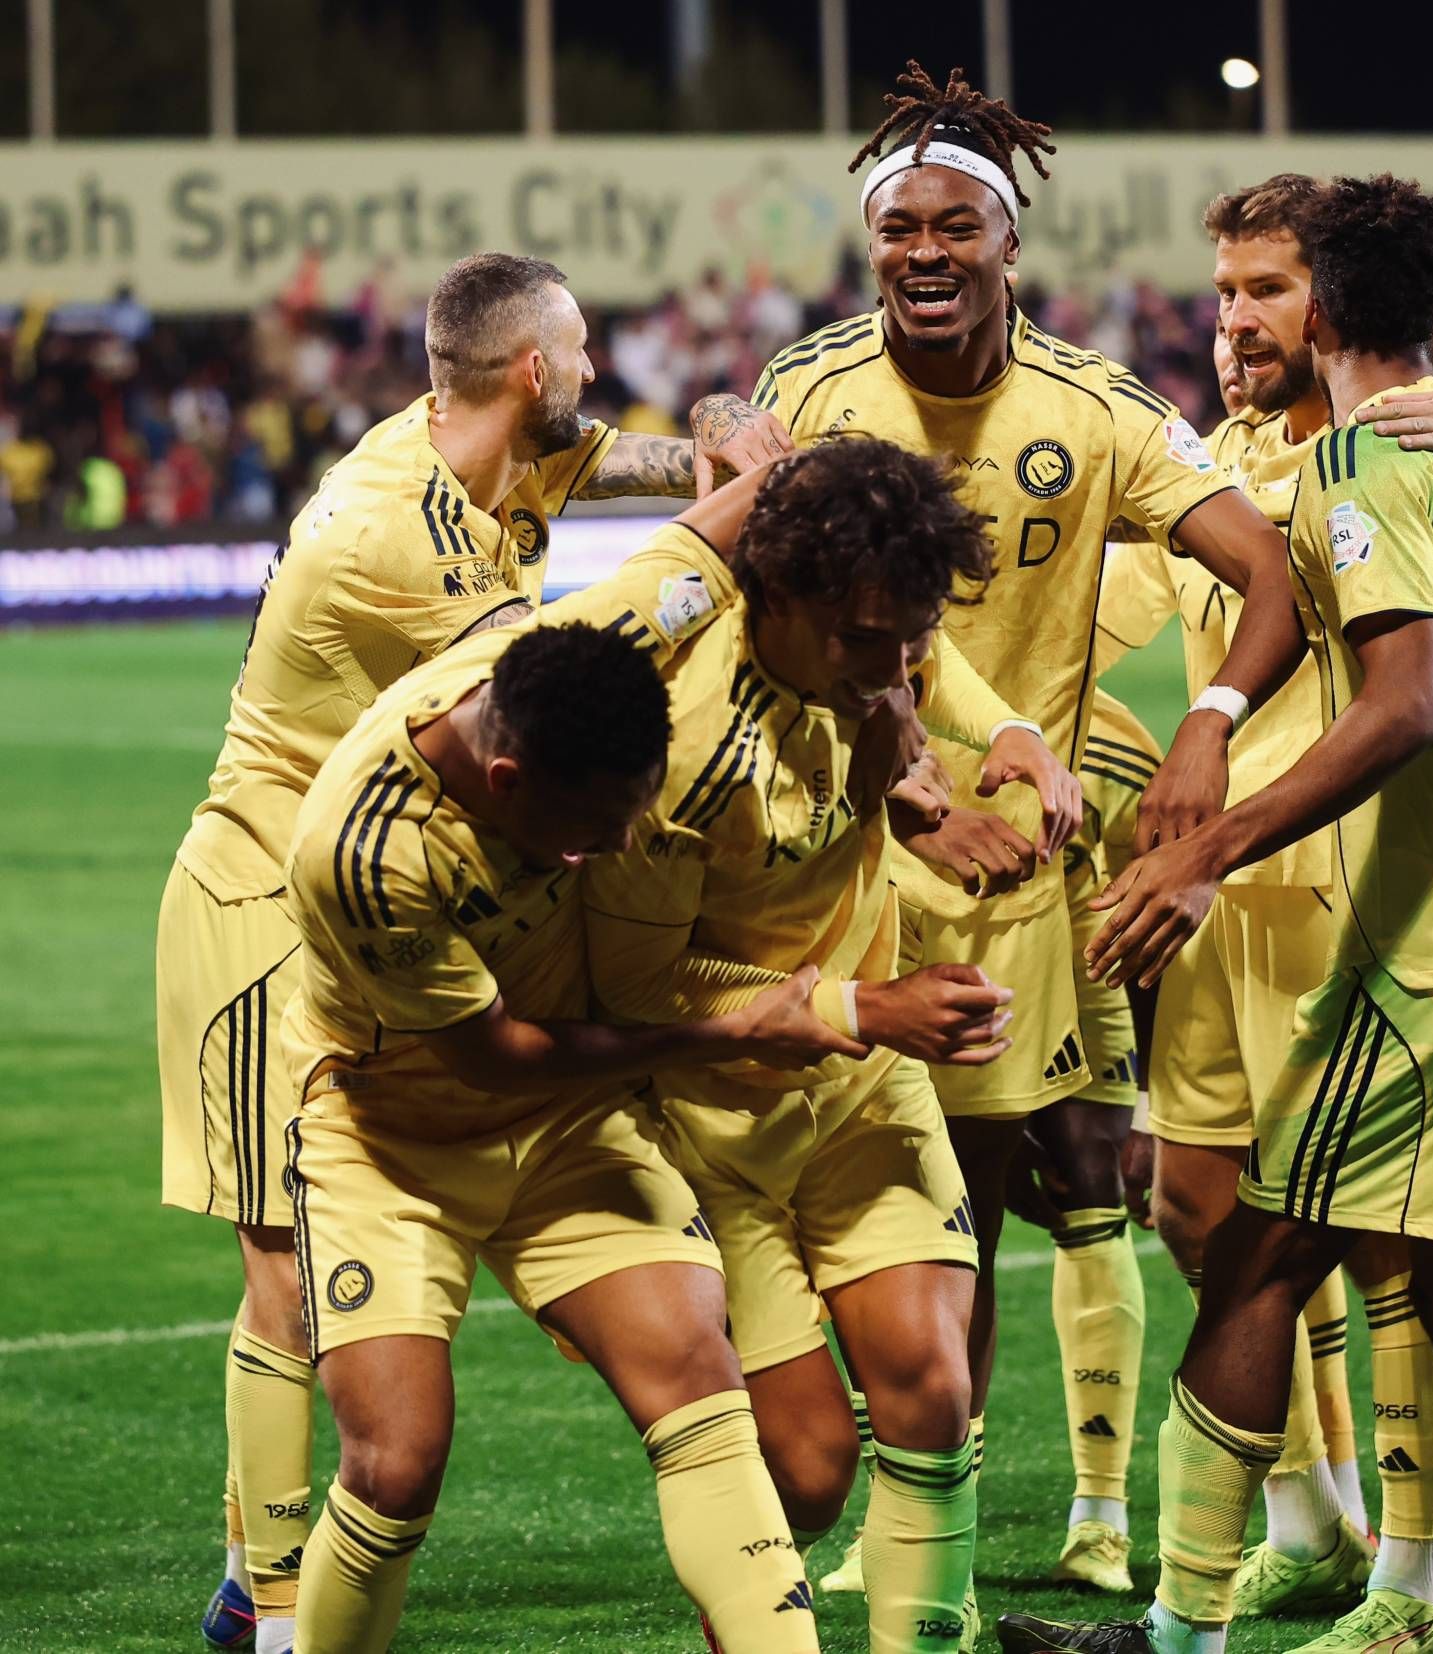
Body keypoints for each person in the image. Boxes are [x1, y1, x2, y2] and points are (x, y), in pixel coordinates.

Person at [697, 63, 1310, 1616]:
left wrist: (1206, 723)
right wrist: (715, 429)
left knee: (954, 1208)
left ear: (1008, 243)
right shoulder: (811, 391)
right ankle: (873, 1513)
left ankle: (940, 1543)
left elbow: (1272, 574)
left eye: (953, 225)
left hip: (1009, 875)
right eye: (898, 227)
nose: (923, 250)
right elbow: (749, 573)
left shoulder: (1098, 411)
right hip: (826, 858)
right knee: (810, 1206)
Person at [995, 172, 1433, 1654]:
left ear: (1325, 316)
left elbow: (1405, 705)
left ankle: (1183, 1630)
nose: (1235, 319)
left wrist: (1206, 845)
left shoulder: (1357, 463)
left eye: (1268, 292)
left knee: (1261, 1266)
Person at [158, 250, 789, 1654]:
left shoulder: (500, 452)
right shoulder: (393, 531)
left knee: (296, 1261)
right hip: (274, 893)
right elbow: (564, 664)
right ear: (532, 368)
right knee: (285, 1260)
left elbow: (644, 462)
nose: (596, 371)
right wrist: (749, 504)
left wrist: (724, 424)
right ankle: (268, 1600)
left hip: (380, 890)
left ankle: (261, 1571)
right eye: (583, 350)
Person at [575, 435, 1077, 1654]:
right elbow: (636, 993)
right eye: (864, 642)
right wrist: (864, 1008)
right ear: (776, 597)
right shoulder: (675, 747)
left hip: (859, 1096)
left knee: (932, 1389)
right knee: (802, 1471)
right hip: (711, 1116)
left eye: (909, 638)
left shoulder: (866, 645)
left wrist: (999, 729)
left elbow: (915, 657)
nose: (895, 670)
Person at [283, 621, 850, 1654]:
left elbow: (715, 562)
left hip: (569, 1124)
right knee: (396, 1464)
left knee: (701, 1385)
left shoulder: (595, 649)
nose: (619, 848)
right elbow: (496, 1055)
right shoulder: (365, 853)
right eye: (593, 827)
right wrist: (725, 1034)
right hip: (389, 1140)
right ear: (506, 780)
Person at [1001, 689, 1166, 1593]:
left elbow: (1155, 904)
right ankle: (902, 1521)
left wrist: (1152, 1100)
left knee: (1093, 1188)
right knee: (927, 1225)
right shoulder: (876, 704)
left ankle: (1101, 1518)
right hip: (915, 952)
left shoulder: (1107, 741)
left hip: (1073, 947)